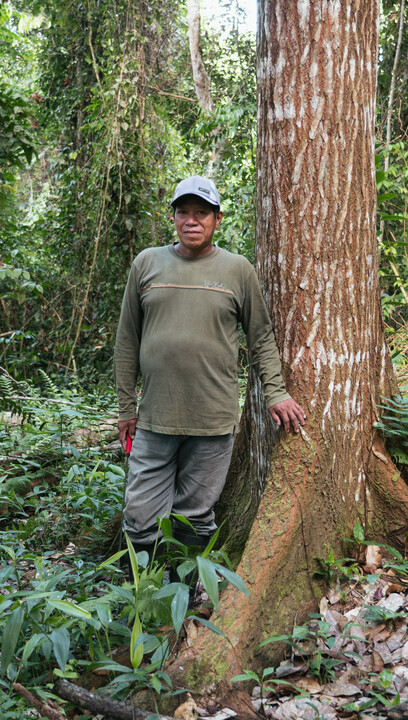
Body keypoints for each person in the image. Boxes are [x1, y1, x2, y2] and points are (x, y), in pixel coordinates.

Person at [113, 175, 306, 567]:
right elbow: (126, 341)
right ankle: (139, 601)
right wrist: (125, 409)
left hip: (213, 422)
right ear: (173, 218)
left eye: (201, 212)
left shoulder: (237, 270)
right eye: (183, 212)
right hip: (154, 420)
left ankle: (179, 602)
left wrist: (277, 392)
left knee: (195, 517)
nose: (191, 220)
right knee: (139, 518)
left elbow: (261, 337)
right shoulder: (147, 263)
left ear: (217, 219)